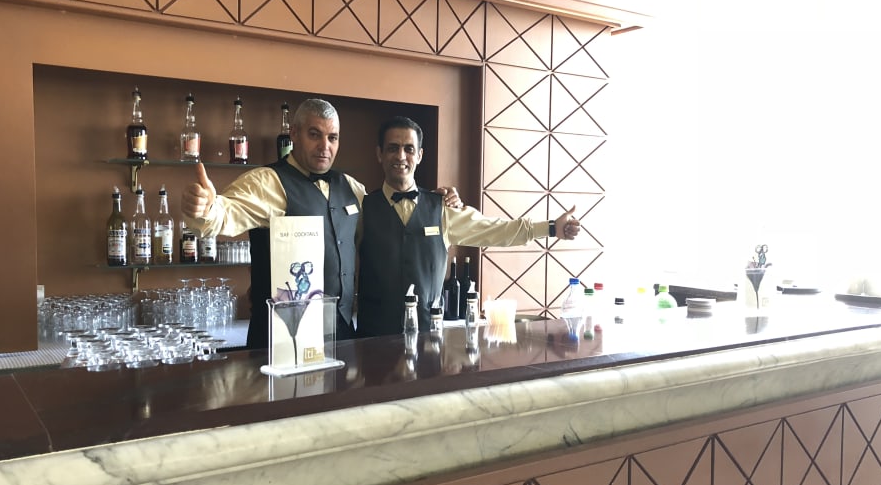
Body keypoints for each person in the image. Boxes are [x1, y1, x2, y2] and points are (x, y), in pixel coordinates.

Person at [181, 98, 461, 348]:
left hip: (342, 336)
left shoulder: (351, 187)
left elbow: (391, 210)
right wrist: (205, 209)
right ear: (294, 134)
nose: (324, 146)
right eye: (314, 135)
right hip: (282, 341)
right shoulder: (267, 182)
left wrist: (439, 202)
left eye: (332, 137)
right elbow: (224, 214)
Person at [356, 115, 582, 338]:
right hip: (372, 339)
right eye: (392, 148)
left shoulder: (442, 208)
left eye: (409, 149)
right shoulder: (362, 206)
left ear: (420, 155)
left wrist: (551, 228)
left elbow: (496, 230)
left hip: (428, 339)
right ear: (380, 154)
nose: (401, 156)